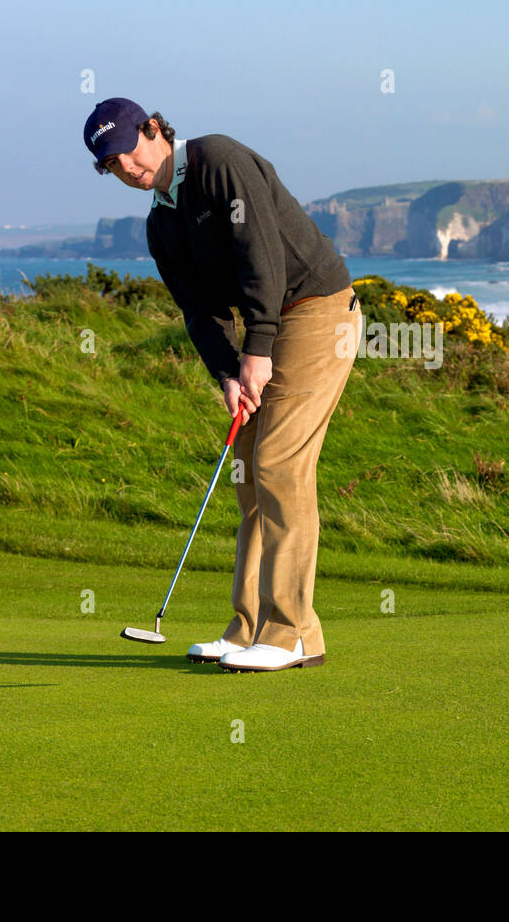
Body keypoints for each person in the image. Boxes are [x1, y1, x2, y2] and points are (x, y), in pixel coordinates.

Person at [83, 98, 359, 671]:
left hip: (317, 309)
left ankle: (292, 634)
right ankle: (247, 628)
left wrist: (258, 348)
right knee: (249, 472)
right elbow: (199, 309)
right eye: (111, 166)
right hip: (270, 322)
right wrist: (229, 372)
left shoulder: (217, 159)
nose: (126, 168)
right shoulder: (161, 223)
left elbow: (262, 257)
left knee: (280, 463)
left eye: (129, 151)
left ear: (154, 129)